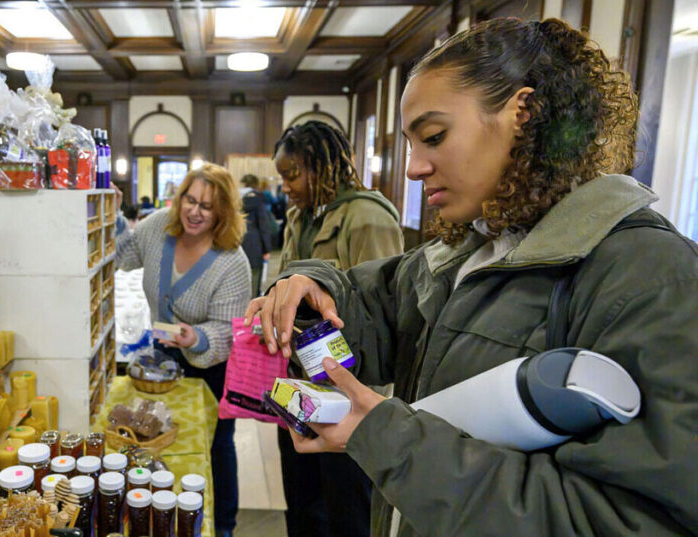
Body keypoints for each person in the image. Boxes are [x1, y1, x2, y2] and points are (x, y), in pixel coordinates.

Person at [246, 18, 698, 537]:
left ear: (522, 115)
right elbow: (370, 302)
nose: (413, 168)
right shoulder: (469, 247)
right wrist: (310, 286)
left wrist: (389, 438)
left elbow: (628, 520)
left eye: (434, 136)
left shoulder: (655, 278)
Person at [272, 120, 404, 537]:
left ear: (321, 167)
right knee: (302, 500)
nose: (286, 186)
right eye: (282, 177)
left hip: (348, 393)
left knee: (347, 509)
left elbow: (383, 311)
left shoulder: (366, 217)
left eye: (292, 174)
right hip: (300, 386)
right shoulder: (299, 216)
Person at [115, 163, 250, 537]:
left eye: (207, 206)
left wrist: (196, 338)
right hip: (163, 359)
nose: (194, 211)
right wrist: (109, 211)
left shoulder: (231, 262)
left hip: (212, 367)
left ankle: (222, 525)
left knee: (216, 445)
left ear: (222, 211)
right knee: (164, 438)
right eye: (189, 200)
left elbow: (229, 330)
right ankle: (163, 511)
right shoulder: (159, 226)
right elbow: (122, 254)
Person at [240, 174, 275, 298]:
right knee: (254, 279)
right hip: (254, 244)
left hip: (236, 242)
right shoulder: (259, 199)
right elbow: (263, 224)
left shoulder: (233, 199)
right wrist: (267, 248)